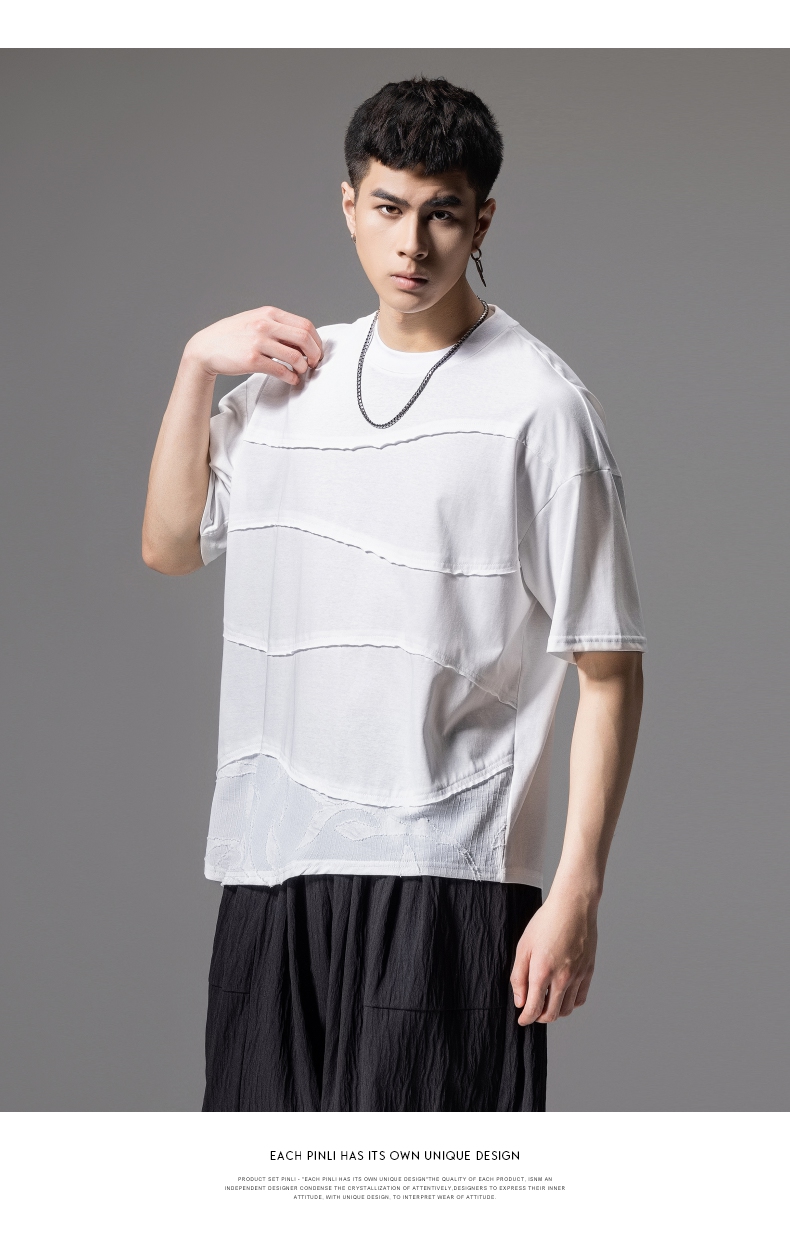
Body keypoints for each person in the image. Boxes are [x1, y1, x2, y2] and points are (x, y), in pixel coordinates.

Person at [142, 76, 645, 1112]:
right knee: (253, 1184)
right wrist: (195, 367)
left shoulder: (541, 408)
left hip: (448, 879)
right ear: (349, 206)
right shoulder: (291, 381)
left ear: (481, 221)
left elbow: (608, 671)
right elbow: (171, 546)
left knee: (428, 1184)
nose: (411, 244)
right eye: (387, 207)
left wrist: (577, 891)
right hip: (274, 871)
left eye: (441, 213)